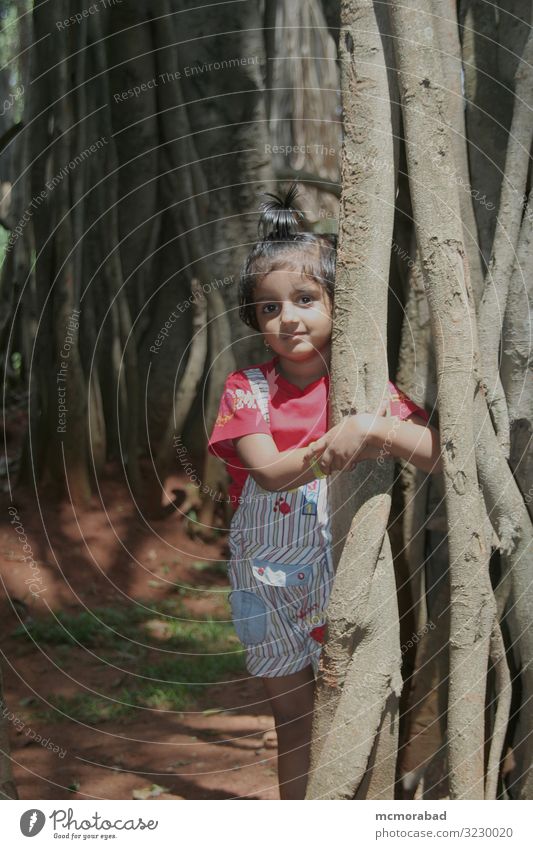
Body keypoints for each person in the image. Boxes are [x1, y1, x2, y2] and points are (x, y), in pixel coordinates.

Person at [207, 183, 442, 800]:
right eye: (269, 307)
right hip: (265, 586)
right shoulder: (245, 389)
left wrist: (370, 425)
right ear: (255, 321)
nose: (289, 318)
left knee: (352, 706)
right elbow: (268, 471)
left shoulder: (364, 393)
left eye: (306, 299)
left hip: (345, 577)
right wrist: (340, 445)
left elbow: (438, 452)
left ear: (340, 303)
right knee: (293, 718)